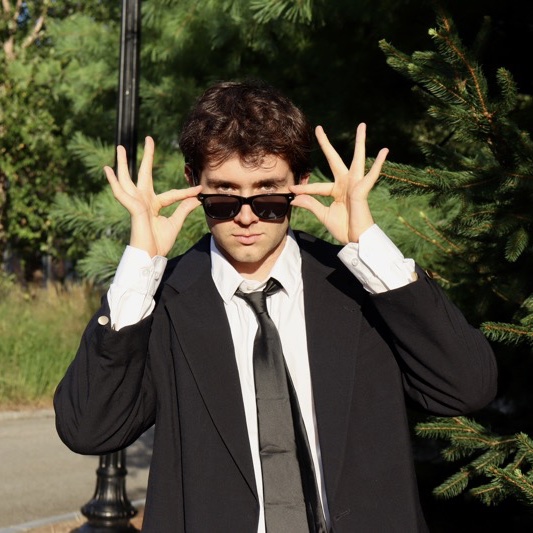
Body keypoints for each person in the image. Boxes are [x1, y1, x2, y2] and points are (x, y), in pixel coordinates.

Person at [54, 79, 497, 533]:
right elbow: (90, 429)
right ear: (193, 186)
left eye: (267, 195)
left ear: (300, 186)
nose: (246, 215)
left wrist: (369, 244)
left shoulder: (364, 288)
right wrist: (141, 261)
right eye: (224, 196)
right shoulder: (162, 302)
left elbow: (465, 387)